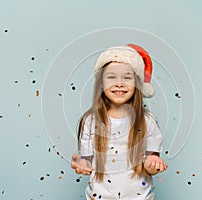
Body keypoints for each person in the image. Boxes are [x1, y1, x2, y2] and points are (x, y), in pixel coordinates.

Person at [71, 44, 167, 200]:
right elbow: (86, 162)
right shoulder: (90, 121)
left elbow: (151, 163)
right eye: (111, 77)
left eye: (127, 77)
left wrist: (153, 164)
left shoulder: (147, 121)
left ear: (137, 83)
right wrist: (81, 164)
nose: (119, 83)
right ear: (101, 83)